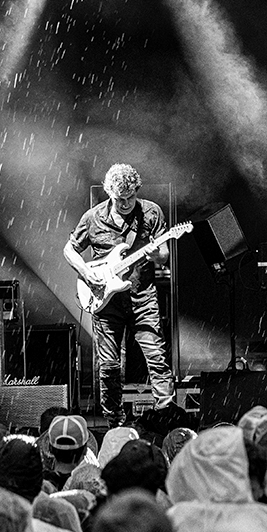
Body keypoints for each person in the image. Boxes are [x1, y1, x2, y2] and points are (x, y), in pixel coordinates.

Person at [64, 164, 174, 426]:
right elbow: (69, 249)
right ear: (108, 193)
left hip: (142, 297)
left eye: (130, 198)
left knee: (157, 358)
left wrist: (156, 254)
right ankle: (115, 424)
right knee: (109, 366)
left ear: (137, 191)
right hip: (105, 301)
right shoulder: (92, 218)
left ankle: (166, 418)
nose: (125, 204)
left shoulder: (151, 212)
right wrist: (86, 273)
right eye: (119, 199)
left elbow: (164, 255)